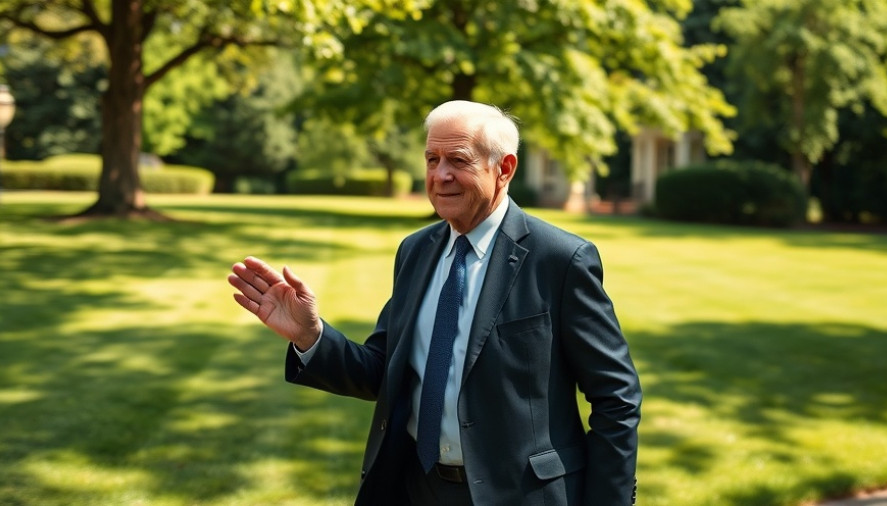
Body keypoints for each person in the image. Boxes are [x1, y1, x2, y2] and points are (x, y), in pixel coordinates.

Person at [228, 100, 642, 505]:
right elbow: (383, 371)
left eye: (458, 160)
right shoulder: (415, 251)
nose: (440, 175)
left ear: (505, 169)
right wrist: (310, 335)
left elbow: (616, 398)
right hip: (414, 486)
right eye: (431, 159)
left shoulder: (560, 259)